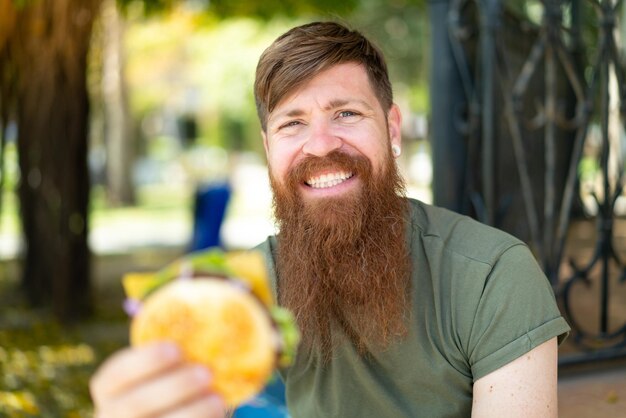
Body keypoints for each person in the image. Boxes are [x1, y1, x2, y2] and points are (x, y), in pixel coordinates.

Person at [90, 21, 570, 417]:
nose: (319, 144)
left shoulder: (493, 274)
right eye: (292, 123)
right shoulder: (235, 294)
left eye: (345, 113)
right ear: (267, 149)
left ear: (392, 129)